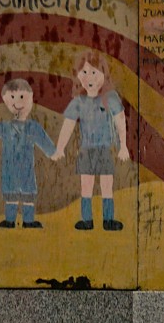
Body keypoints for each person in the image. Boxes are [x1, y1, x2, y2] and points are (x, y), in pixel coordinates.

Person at [52, 51, 130, 231]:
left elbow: (120, 121)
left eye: (94, 72)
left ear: (104, 74)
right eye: (84, 72)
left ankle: (108, 220)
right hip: (86, 150)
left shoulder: (111, 98)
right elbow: (68, 125)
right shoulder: (78, 101)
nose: (89, 77)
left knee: (106, 184)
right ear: (78, 75)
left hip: (104, 149)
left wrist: (123, 146)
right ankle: (86, 220)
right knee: (86, 185)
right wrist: (60, 148)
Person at [0, 78, 56, 229]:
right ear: (7, 101)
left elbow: (43, 139)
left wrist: (52, 152)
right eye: (12, 98)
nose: (17, 102)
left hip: (27, 168)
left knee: (28, 193)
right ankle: (10, 220)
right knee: (11, 193)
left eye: (21, 97)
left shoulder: (32, 126)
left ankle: (28, 220)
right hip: (9, 168)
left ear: (30, 99)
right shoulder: (5, 126)